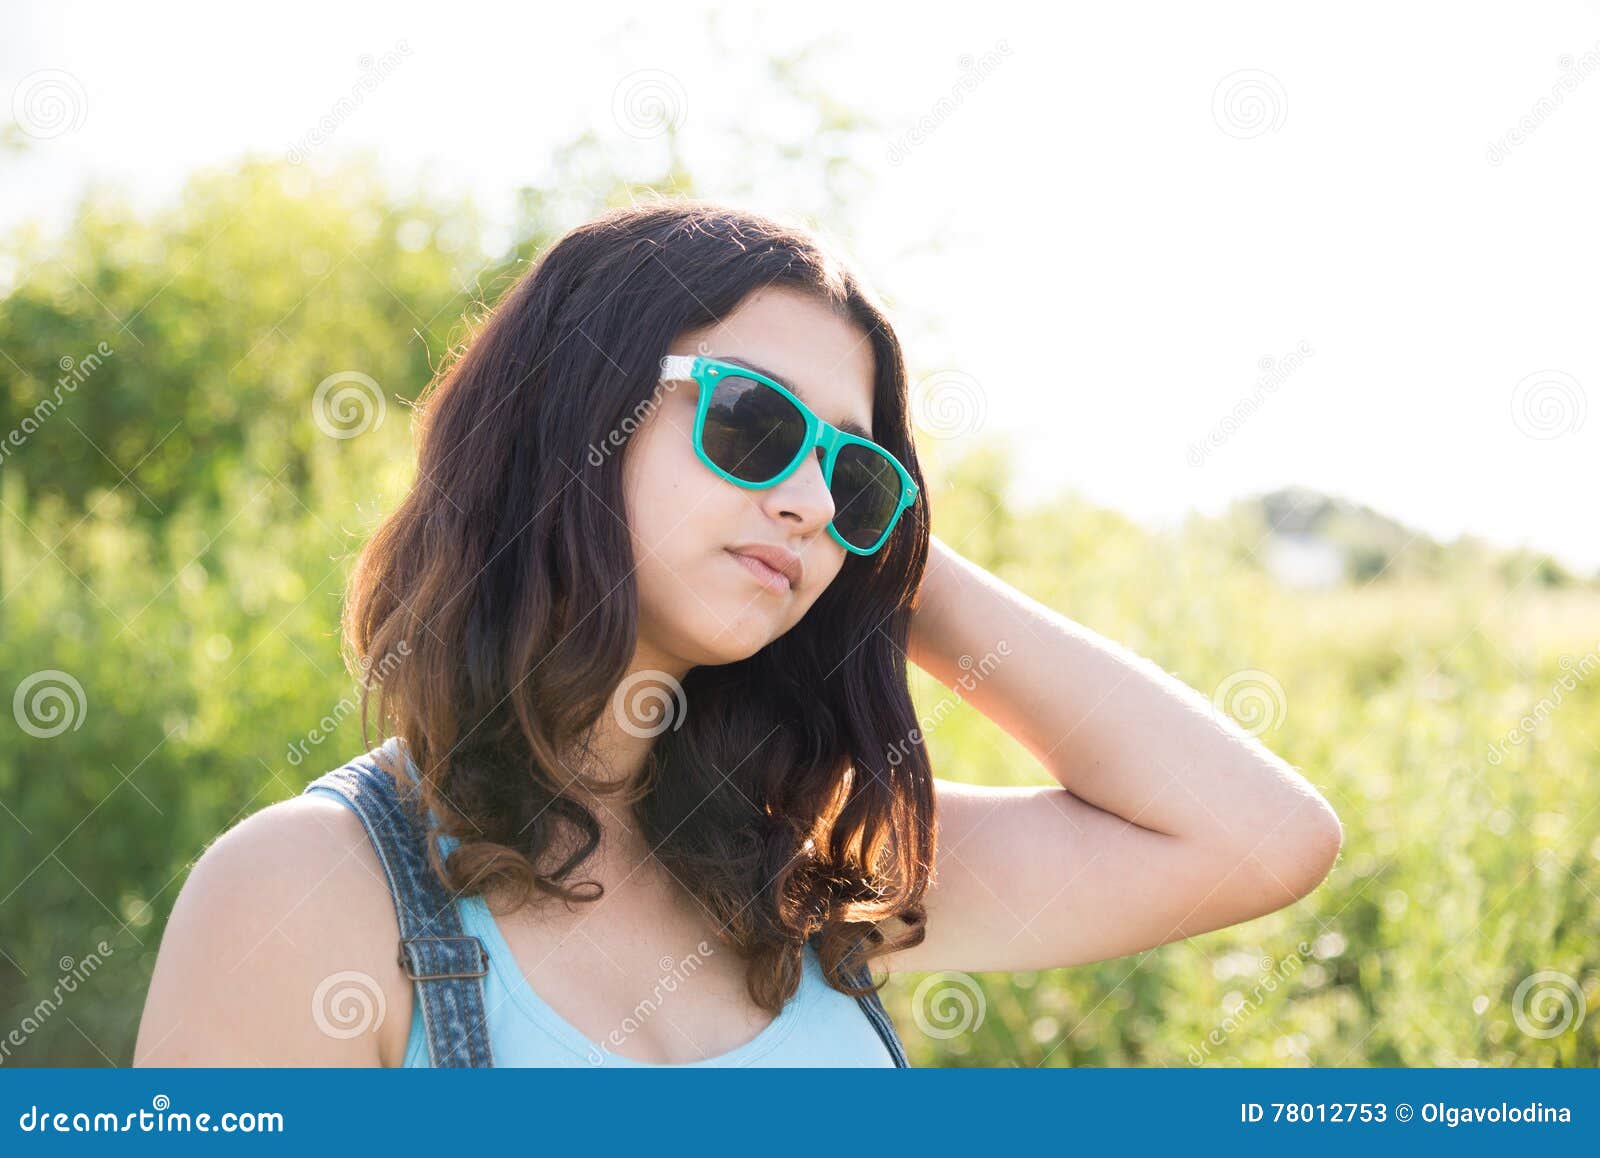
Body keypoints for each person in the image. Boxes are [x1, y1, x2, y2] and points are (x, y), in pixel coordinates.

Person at [134, 201, 1341, 1067]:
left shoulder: (809, 870)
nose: (815, 502)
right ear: (572, 419)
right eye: (755, 426)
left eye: (853, 476)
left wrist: (889, 555)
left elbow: (1258, 839)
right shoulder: (302, 896)